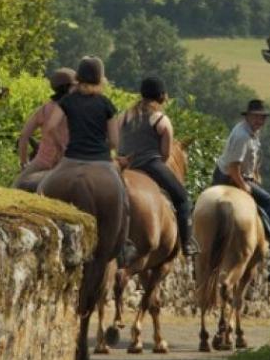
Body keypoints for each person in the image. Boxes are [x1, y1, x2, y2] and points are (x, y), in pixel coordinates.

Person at [42, 56, 137, 266]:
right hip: (101, 161)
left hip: (71, 159)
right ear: (100, 79)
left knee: (42, 188)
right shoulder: (106, 104)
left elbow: (49, 127)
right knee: (124, 198)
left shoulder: (67, 101)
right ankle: (123, 246)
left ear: (78, 77)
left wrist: (62, 146)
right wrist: (104, 148)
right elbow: (113, 141)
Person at [117, 76, 200, 257]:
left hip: (123, 165)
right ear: (161, 96)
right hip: (150, 165)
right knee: (183, 198)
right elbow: (165, 154)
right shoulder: (161, 119)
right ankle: (187, 243)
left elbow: (116, 141)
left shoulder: (124, 116)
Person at [212, 99, 270, 268]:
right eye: (257, 117)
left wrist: (254, 173)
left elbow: (250, 158)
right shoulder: (242, 136)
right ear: (248, 116)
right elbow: (233, 167)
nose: (260, 121)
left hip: (238, 174)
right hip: (232, 177)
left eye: (263, 118)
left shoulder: (250, 131)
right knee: (269, 201)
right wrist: (244, 186)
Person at [13, 68, 76, 191]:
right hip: (67, 164)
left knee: (15, 189)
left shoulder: (44, 109)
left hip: (42, 162)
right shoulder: (78, 109)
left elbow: (24, 136)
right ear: (70, 88)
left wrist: (23, 163)